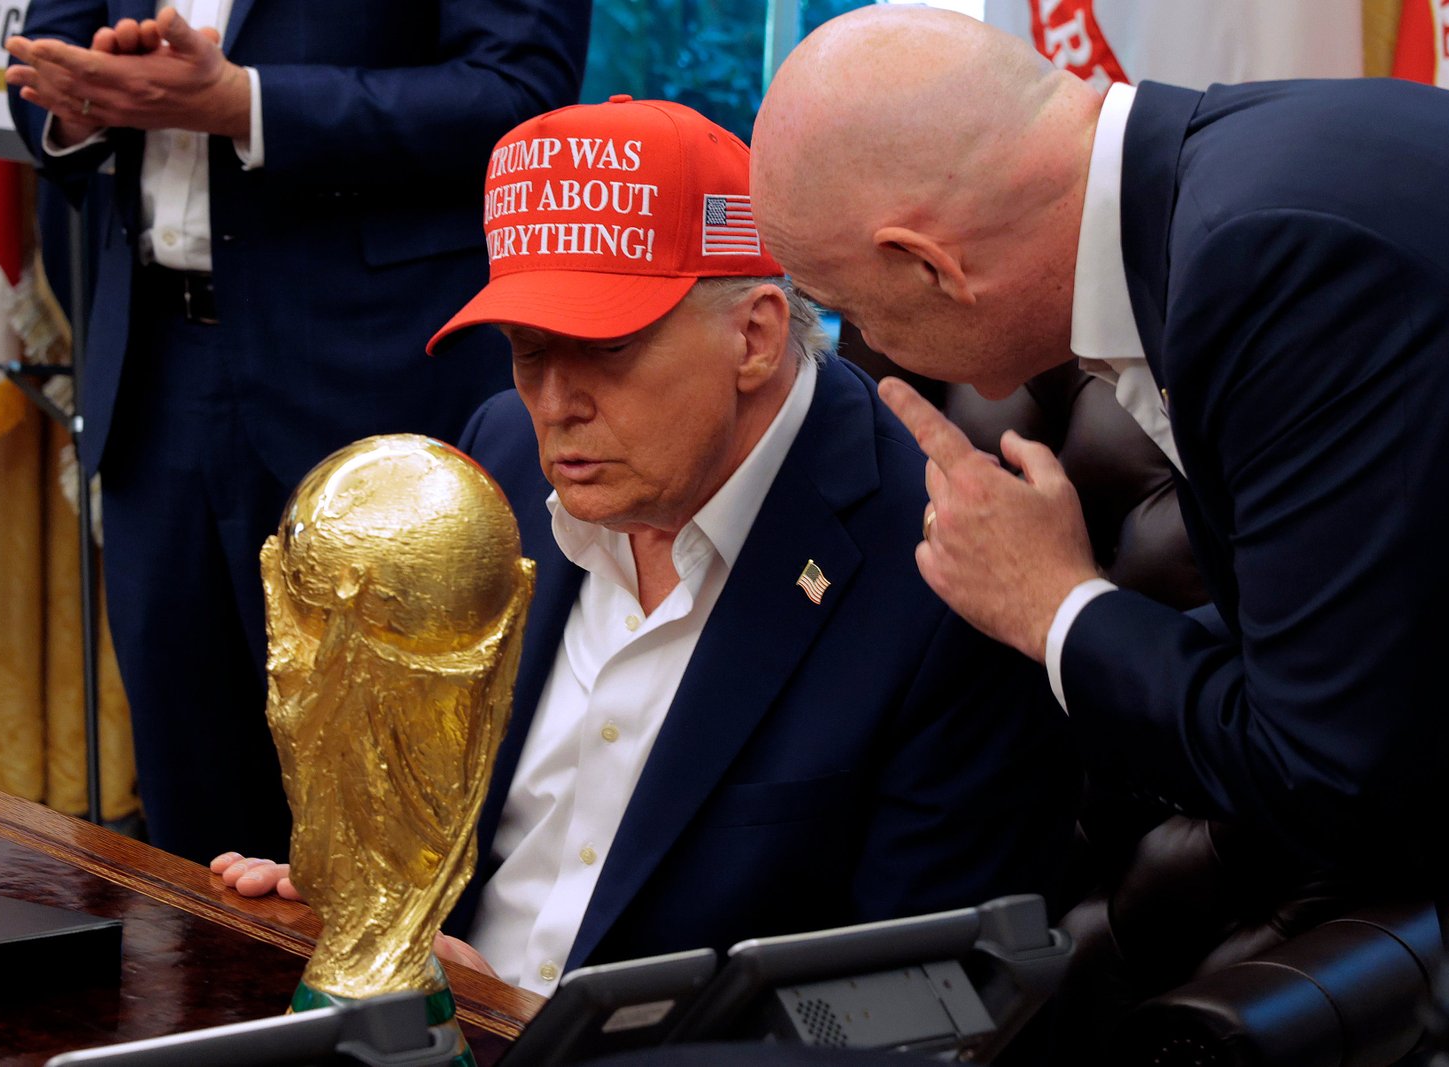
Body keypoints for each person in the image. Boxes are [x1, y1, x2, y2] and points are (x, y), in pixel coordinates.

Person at [213, 96, 1070, 993]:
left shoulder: (945, 567)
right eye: (527, 349)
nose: (554, 403)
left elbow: (926, 998)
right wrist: (371, 918)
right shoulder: (497, 454)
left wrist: (527, 1027)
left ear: (756, 334)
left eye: (604, 347)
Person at [749, 5, 1449, 894]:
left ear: (933, 266)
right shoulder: (1222, 181)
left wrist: (1054, 604)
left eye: (855, 309)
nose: (872, 342)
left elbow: (1328, 773)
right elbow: (1342, 625)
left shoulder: (1269, 265)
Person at [4, 1, 591, 861]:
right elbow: (42, 53)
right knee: (187, 808)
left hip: (372, 373)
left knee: (382, 810)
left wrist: (246, 103)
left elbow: (515, 93)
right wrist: (80, 96)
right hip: (150, 370)